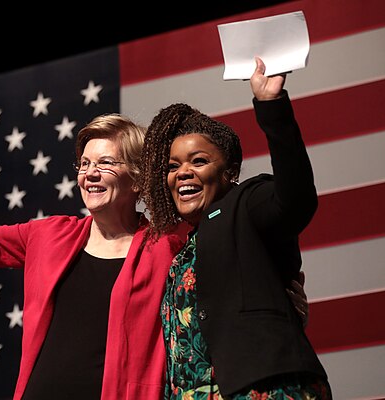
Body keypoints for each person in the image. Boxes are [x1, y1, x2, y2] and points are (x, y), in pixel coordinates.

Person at [0, 112, 310, 399]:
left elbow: (235, 273)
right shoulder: (49, 236)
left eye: (105, 162)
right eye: (83, 164)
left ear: (140, 179)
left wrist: (284, 301)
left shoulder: (170, 244)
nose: (90, 173)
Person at [137, 57, 331, 399]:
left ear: (230, 171)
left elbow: (296, 198)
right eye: (172, 166)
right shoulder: (183, 252)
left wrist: (271, 105)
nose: (182, 172)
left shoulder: (245, 205)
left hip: (266, 389)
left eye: (199, 161)